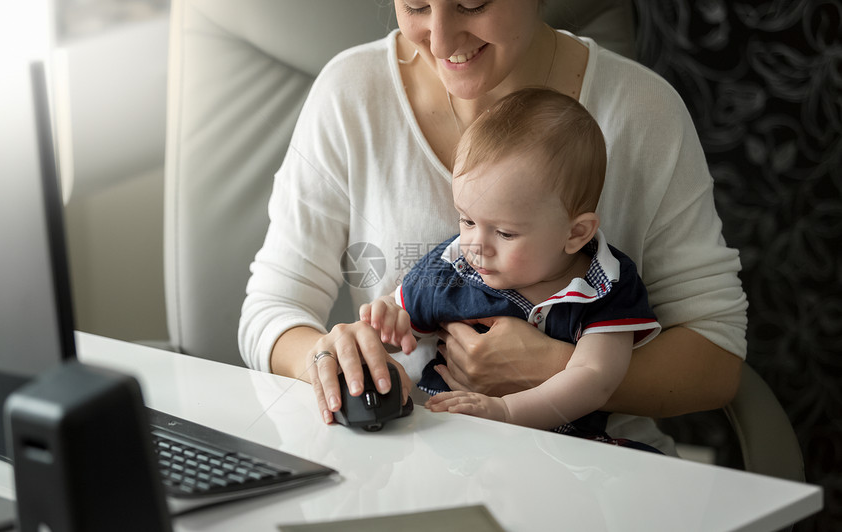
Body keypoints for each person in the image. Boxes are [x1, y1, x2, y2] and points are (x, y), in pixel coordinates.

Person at [239, 1, 748, 455]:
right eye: (416, 5)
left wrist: (556, 369)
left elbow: (716, 352)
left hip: (600, 464)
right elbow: (272, 307)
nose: (439, 41)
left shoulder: (642, 110)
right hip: (421, 455)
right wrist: (337, 358)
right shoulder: (350, 93)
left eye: (472, 4)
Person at [361, 87, 662, 451]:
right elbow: (397, 328)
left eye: (504, 232)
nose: (476, 244)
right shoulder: (451, 267)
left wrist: (505, 411)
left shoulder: (606, 285)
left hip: (566, 452)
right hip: (451, 439)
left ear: (576, 233)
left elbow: (595, 378)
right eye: (467, 220)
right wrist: (387, 319)